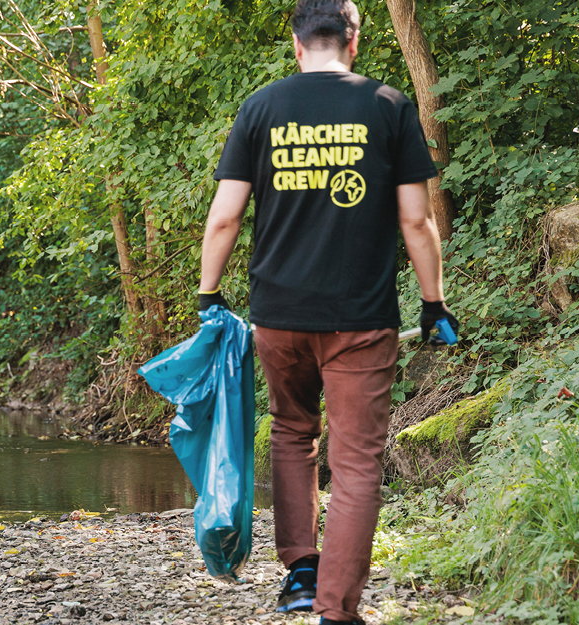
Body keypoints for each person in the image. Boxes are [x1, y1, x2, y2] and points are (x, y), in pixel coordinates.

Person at [196, 1, 458, 623]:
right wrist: (433, 302)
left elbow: (226, 215)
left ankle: (301, 575)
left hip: (278, 317)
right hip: (361, 320)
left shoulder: (261, 108)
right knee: (358, 460)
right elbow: (416, 220)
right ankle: (335, 612)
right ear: (354, 40)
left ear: (296, 44)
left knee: (292, 433)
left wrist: (209, 295)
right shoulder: (388, 106)